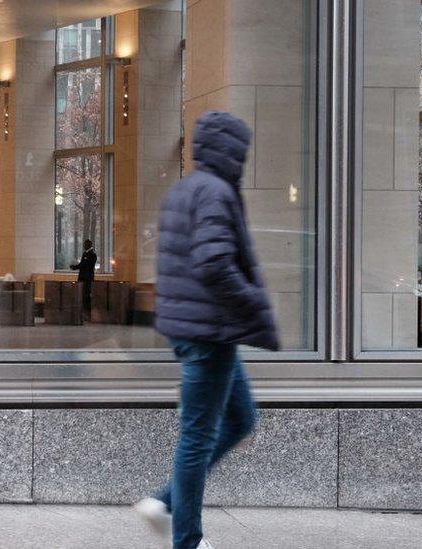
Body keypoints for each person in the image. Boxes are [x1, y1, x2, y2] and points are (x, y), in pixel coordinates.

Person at [133, 110, 280, 549]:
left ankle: (163, 502)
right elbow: (213, 262)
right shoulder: (216, 192)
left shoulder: (185, 189)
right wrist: (253, 300)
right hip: (209, 332)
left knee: (240, 418)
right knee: (198, 436)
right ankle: (188, 540)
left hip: (198, 330)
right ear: (232, 150)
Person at [70, 239, 97, 319]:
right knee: (82, 295)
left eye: (85, 244)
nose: (84, 246)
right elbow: (82, 264)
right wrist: (74, 267)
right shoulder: (85, 253)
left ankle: (88, 314)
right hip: (82, 278)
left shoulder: (92, 255)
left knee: (87, 296)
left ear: (89, 245)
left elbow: (87, 266)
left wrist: (76, 267)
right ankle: (83, 314)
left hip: (87, 279)